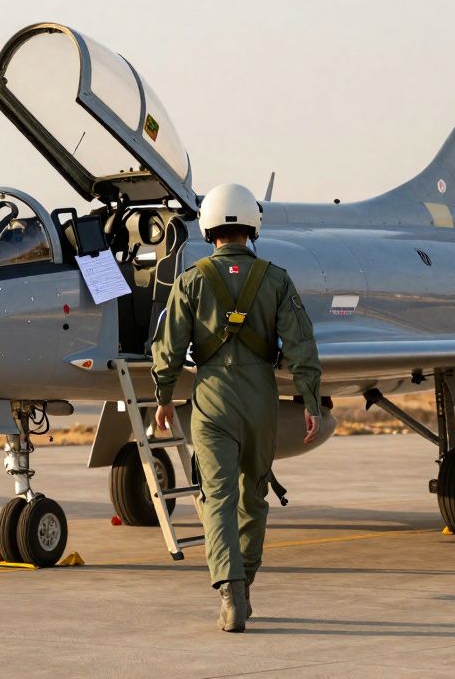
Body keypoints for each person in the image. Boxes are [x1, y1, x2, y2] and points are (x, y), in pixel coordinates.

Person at [150, 182, 323, 633]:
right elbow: (302, 344)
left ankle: (230, 595)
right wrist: (310, 401)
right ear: (253, 225)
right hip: (261, 401)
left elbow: (167, 348)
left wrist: (164, 398)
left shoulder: (190, 280)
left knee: (218, 498)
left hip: (211, 404)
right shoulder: (277, 279)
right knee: (254, 496)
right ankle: (244, 583)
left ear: (208, 228)